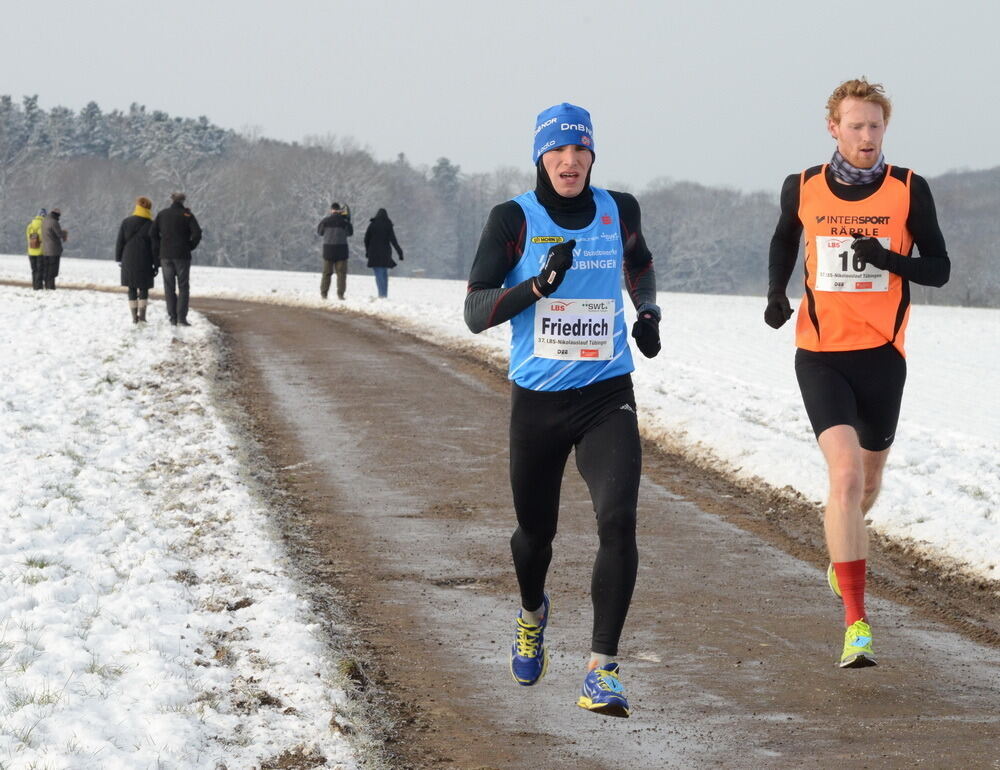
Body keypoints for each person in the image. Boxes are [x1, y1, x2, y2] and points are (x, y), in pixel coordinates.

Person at [464, 103, 661, 718]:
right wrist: (539, 287)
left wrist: (648, 312)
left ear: (592, 156)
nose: (570, 162)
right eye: (558, 151)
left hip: (607, 393)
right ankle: (531, 612)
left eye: (580, 151)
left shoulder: (618, 208)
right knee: (535, 537)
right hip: (539, 402)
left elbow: (641, 264)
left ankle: (602, 669)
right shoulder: (512, 220)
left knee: (618, 520)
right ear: (540, 158)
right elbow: (475, 312)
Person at [765, 78, 950, 668]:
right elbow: (783, 239)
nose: (866, 136)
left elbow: (939, 269)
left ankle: (842, 545)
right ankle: (856, 623)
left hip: (882, 359)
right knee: (844, 479)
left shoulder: (907, 189)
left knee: (866, 488)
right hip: (820, 353)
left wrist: (887, 258)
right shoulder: (804, 185)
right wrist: (775, 292)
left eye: (875, 126)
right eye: (856, 126)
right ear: (834, 128)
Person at [151, 192, 202, 326]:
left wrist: (160, 247)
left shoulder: (162, 214)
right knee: (183, 286)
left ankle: (172, 317)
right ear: (183, 201)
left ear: (172, 200)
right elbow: (197, 233)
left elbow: (152, 233)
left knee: (169, 287)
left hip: (165, 255)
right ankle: (181, 318)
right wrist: (189, 246)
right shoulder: (187, 215)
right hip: (182, 255)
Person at [115, 196, 159, 324]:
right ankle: (143, 316)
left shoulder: (126, 222)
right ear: (149, 208)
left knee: (132, 287)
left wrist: (119, 258)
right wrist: (156, 264)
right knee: (144, 287)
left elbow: (120, 242)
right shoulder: (151, 224)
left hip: (128, 257)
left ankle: (134, 316)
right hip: (145, 259)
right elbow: (155, 246)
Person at [363, 208, 404, 298]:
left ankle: (381, 295)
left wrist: (367, 251)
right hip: (385, 253)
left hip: (374, 253)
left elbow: (366, 239)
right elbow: (394, 241)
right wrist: (400, 252)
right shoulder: (388, 225)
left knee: (378, 274)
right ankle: (384, 294)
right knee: (384, 274)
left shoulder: (372, 225)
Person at [317, 202, 353, 299]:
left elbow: (320, 232)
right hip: (341, 251)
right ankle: (340, 295)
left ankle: (324, 294)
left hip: (328, 250)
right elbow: (350, 233)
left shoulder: (325, 221)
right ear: (340, 210)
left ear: (331, 210)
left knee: (327, 273)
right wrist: (347, 219)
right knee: (341, 274)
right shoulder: (344, 222)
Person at [41, 208, 67, 290]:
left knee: (47, 269)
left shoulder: (44, 221)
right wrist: (64, 233)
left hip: (45, 249)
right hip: (53, 250)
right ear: (57, 215)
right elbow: (59, 234)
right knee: (53, 270)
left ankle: (46, 286)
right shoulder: (54, 222)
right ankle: (51, 287)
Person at [25, 208, 46, 290]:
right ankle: (39, 287)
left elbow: (28, 237)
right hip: (40, 251)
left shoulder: (30, 225)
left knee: (34, 270)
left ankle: (34, 286)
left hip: (31, 251)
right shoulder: (43, 225)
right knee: (40, 270)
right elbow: (43, 238)